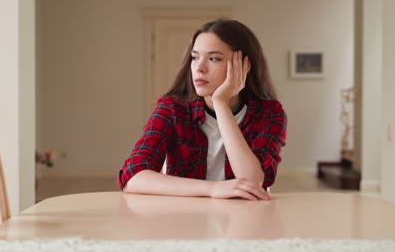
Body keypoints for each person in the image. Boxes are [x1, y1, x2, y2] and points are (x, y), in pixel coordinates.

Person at [118, 19, 287, 201]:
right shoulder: (172, 108)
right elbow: (132, 177)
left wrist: (221, 104)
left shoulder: (269, 113)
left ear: (244, 66)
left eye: (214, 58)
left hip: (243, 218)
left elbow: (252, 183)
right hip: (185, 219)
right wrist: (213, 189)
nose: (199, 68)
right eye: (195, 57)